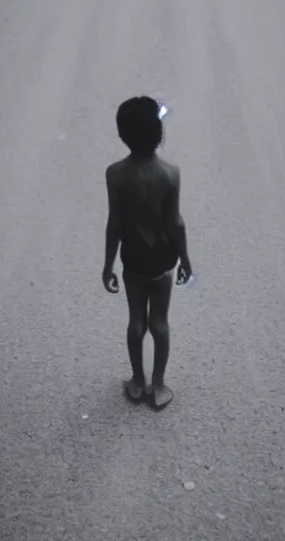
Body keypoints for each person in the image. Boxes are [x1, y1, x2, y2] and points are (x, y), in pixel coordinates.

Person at [101, 96, 193, 410]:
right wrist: (186, 260)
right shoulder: (171, 174)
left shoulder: (115, 174)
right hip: (162, 259)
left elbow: (114, 223)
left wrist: (107, 264)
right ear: (159, 134)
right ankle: (159, 384)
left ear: (122, 134)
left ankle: (137, 381)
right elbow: (175, 223)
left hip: (133, 260)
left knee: (135, 322)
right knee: (160, 324)